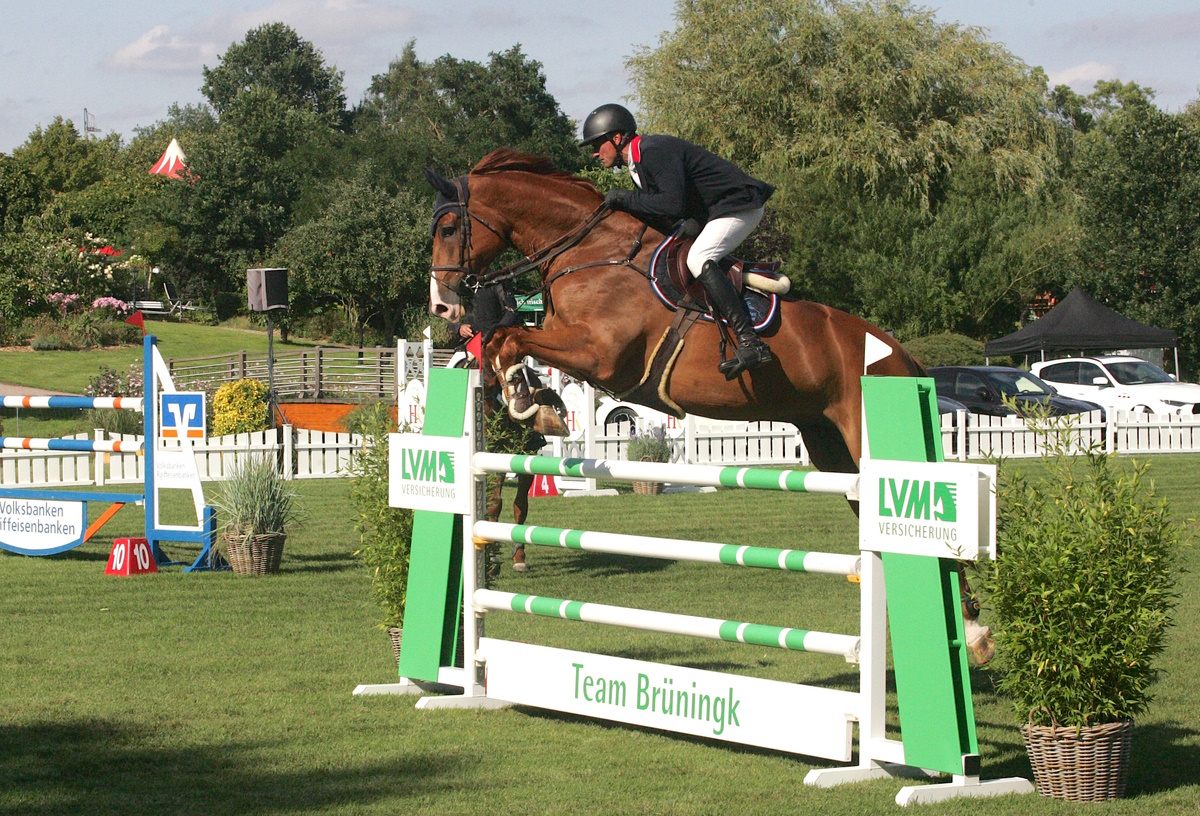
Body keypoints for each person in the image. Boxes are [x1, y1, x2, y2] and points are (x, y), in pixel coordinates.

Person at [580, 103, 776, 380]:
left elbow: (670, 205)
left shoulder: (653, 151)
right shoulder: (638, 163)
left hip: (738, 206)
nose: (594, 153)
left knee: (699, 259)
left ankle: (751, 343)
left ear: (616, 138)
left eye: (598, 144)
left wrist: (625, 198)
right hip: (712, 211)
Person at [448, 280, 539, 573]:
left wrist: (492, 332)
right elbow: (451, 319)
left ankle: (534, 427)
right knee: (454, 373)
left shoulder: (498, 283)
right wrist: (458, 328)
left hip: (500, 346)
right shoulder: (462, 285)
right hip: (474, 348)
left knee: (526, 385)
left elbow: (512, 311)